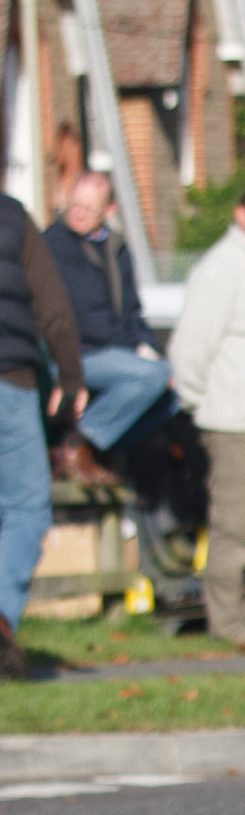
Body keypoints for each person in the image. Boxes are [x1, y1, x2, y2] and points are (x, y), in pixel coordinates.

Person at [167, 178, 245, 651]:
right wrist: (206, 403)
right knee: (237, 532)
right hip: (236, 422)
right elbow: (190, 351)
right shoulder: (221, 268)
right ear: (241, 214)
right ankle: (229, 625)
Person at [0, 190, 85, 680]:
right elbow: (52, 304)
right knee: (27, 507)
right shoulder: (12, 217)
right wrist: (71, 377)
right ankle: (2, 618)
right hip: (9, 381)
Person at [42, 172, 169, 475]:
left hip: (112, 349)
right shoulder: (55, 245)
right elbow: (85, 318)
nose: (78, 213)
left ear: (108, 211)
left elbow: (131, 311)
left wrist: (149, 347)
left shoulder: (116, 247)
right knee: (150, 377)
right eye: (74, 205)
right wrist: (135, 351)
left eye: (89, 208)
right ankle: (79, 442)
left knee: (175, 390)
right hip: (77, 352)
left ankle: (101, 450)